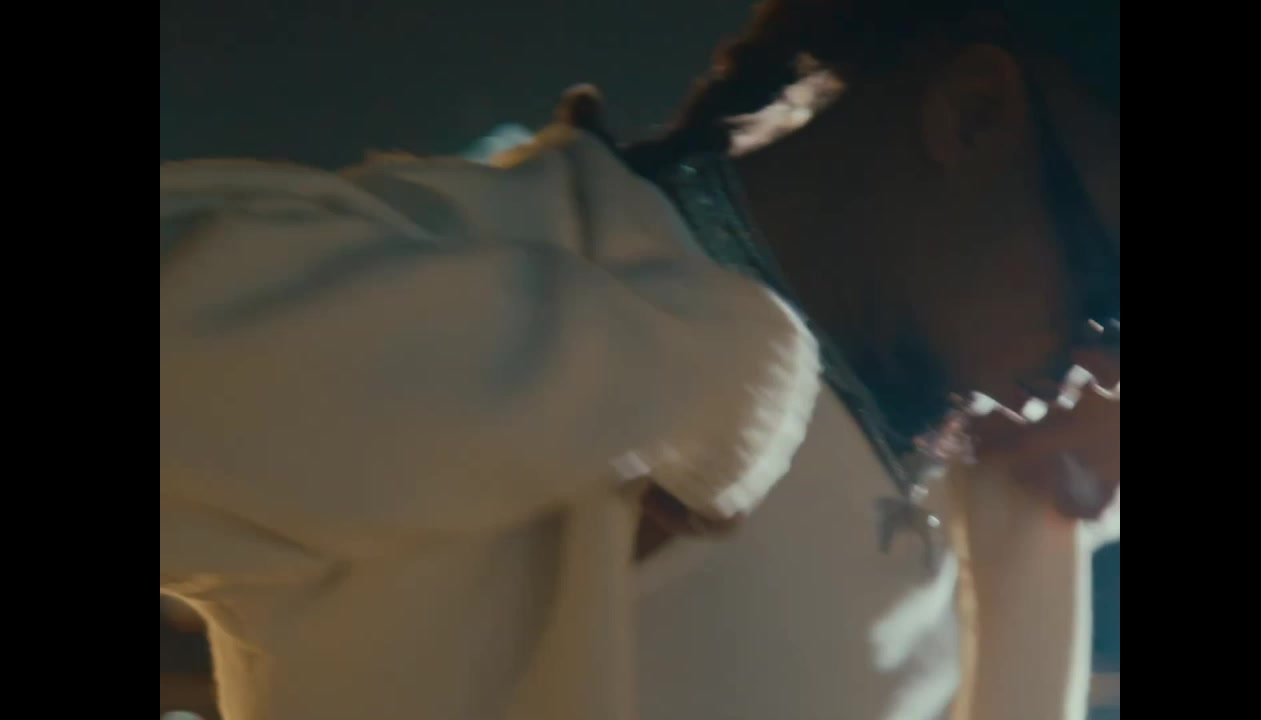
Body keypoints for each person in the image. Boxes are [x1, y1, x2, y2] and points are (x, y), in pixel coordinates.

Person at [159, 2, 1119, 719]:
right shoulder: (531, 267)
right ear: (973, 115)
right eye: (1106, 291)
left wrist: (1037, 530)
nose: (1102, 365)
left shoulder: (950, 458)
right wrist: (672, 378)